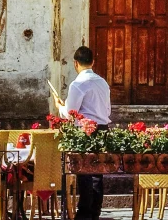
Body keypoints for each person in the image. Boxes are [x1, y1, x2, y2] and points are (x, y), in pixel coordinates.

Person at [52, 46, 111, 220]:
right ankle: (95, 211)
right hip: (102, 128)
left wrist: (59, 106)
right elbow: (107, 109)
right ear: (93, 62)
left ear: (75, 63)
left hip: (85, 130)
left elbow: (71, 113)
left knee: (84, 171)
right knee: (98, 171)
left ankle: (85, 212)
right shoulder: (103, 82)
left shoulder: (78, 84)